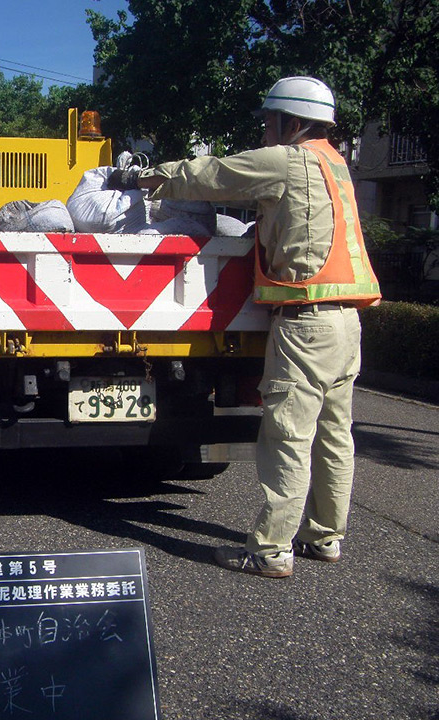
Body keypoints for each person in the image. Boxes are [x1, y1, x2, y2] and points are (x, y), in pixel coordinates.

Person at [109, 76, 381, 577]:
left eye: (268, 122)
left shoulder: (288, 160)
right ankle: (324, 537)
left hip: (306, 323)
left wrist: (147, 178)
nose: (263, 132)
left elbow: (214, 174)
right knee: (333, 434)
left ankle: (271, 550)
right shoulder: (336, 165)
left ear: (292, 123)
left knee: (288, 436)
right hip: (346, 322)